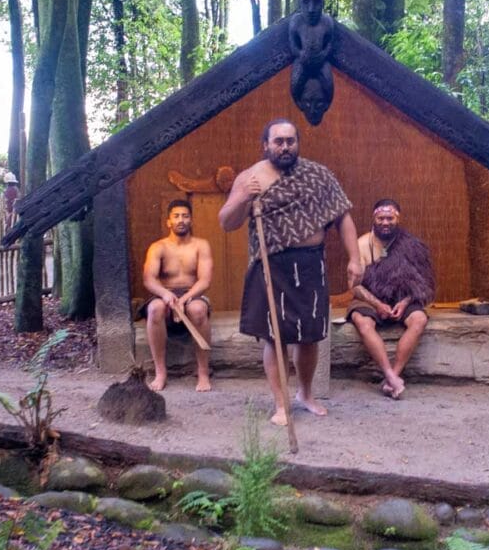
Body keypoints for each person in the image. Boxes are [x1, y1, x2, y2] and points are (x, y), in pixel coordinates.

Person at [219, 119, 362, 426]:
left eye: (290, 141)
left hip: (311, 264)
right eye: (278, 141)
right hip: (271, 266)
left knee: (310, 337)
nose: (285, 147)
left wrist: (355, 259)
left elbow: (343, 217)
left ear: (298, 143)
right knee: (275, 338)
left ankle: (305, 395)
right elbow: (226, 222)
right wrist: (244, 196)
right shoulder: (250, 177)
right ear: (266, 145)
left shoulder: (318, 175)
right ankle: (281, 403)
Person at [347, 199, 435, 399]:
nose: (385, 222)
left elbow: (422, 283)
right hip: (369, 297)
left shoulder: (411, 245)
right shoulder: (361, 245)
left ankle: (393, 375)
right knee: (362, 321)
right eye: (381, 218)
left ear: (398, 218)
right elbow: (354, 285)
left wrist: (404, 302)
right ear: (374, 218)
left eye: (390, 218)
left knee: (419, 319)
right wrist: (377, 304)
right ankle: (388, 372)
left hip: (402, 295)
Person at [141, 199, 213, 392]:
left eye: (185, 216)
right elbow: (149, 280)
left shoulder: (201, 245)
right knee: (155, 309)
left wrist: (183, 299)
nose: (181, 220)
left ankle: (203, 372)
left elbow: (205, 280)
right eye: (176, 216)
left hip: (192, 293)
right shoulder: (158, 247)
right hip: (165, 294)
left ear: (191, 220)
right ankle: (161, 372)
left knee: (198, 309)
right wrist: (166, 295)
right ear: (168, 222)